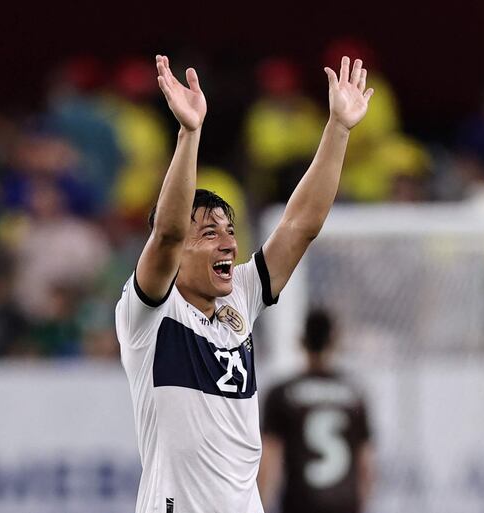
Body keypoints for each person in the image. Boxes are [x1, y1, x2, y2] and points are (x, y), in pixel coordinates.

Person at [115, 54, 373, 513]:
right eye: (210, 234)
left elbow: (299, 227)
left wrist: (338, 129)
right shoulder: (150, 314)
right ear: (177, 257)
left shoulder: (240, 298)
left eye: (230, 232)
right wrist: (189, 134)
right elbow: (169, 233)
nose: (228, 245)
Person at [258, 309, 374, 513]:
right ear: (334, 342)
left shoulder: (282, 394)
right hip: (345, 505)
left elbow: (270, 459)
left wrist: (261, 505)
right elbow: (366, 465)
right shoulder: (354, 394)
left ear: (301, 341)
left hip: (300, 504)